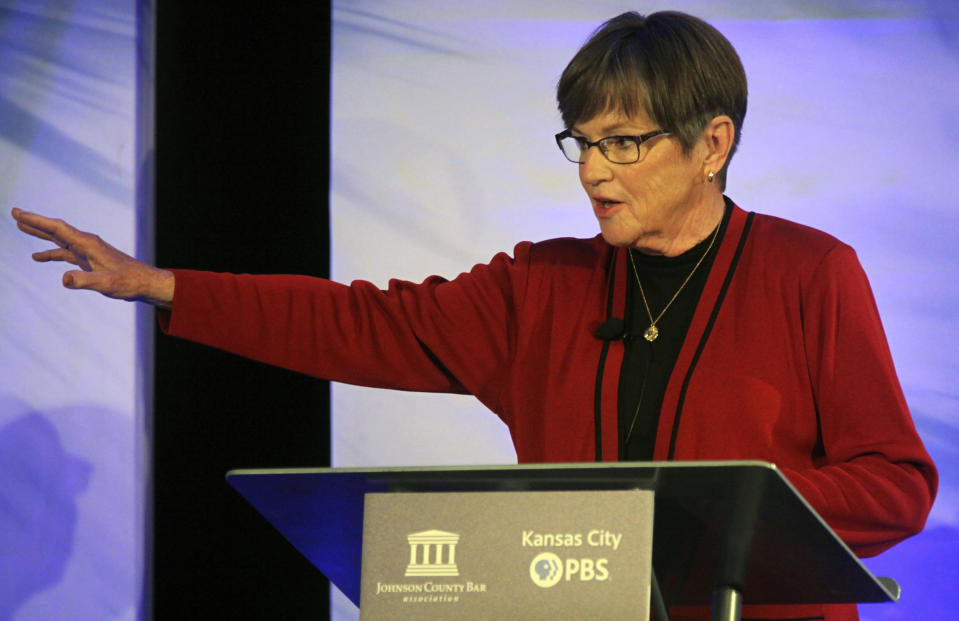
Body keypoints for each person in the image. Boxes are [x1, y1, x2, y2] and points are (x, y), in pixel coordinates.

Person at [11, 10, 936, 621]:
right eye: (581, 141)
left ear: (711, 143)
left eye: (624, 143)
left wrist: (737, 512)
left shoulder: (810, 271)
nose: (592, 172)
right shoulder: (539, 284)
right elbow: (358, 324)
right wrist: (165, 284)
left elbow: (895, 481)